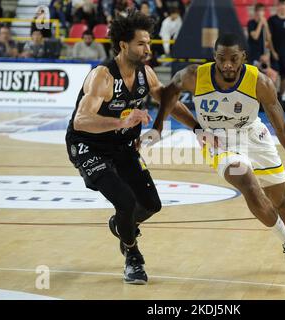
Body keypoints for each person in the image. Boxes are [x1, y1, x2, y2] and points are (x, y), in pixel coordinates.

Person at [154, 33, 285, 277]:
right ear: (214, 57)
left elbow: (283, 130)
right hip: (218, 140)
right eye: (221, 58)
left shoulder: (260, 82)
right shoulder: (194, 75)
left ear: (244, 57)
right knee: (248, 184)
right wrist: (160, 127)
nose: (227, 64)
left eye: (233, 58)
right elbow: (168, 94)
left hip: (253, 135)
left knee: (282, 202)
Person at [65, 11, 197, 284]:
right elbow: (81, 121)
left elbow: (168, 102)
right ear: (123, 45)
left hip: (122, 146)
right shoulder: (101, 76)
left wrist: (198, 128)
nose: (148, 49)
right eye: (141, 44)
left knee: (151, 204)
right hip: (88, 146)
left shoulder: (145, 74)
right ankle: (132, 256)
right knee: (124, 201)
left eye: (149, 43)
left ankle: (120, 226)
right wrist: (122, 119)